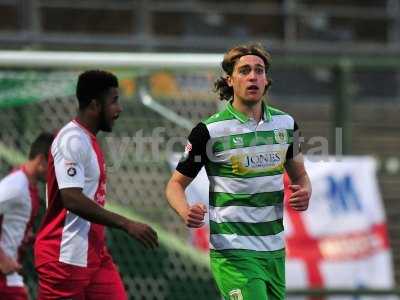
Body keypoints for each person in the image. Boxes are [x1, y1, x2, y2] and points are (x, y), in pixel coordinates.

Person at [165, 44, 311, 300]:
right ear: (230, 80)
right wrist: (185, 210)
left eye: (259, 70)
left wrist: (305, 191)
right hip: (233, 250)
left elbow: (300, 176)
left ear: (266, 80)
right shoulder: (209, 131)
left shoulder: (286, 125)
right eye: (244, 71)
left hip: (274, 249)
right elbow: (175, 185)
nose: (253, 76)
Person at [34, 70, 158, 300]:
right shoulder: (70, 140)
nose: (119, 109)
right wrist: (126, 223)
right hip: (65, 256)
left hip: (94, 254)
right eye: (114, 101)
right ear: (94, 106)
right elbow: (71, 198)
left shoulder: (88, 139)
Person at [0, 132, 54, 300]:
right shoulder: (16, 186)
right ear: (41, 160)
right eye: (54, 166)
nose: (56, 173)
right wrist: (1, 259)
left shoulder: (29, 187)